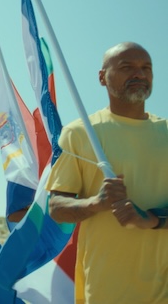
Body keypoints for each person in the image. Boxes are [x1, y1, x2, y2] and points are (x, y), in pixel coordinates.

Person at [47, 42, 168, 303]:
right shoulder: (80, 133)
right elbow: (56, 207)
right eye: (127, 67)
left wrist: (152, 219)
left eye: (146, 68)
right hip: (106, 288)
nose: (139, 74)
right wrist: (96, 203)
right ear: (102, 77)